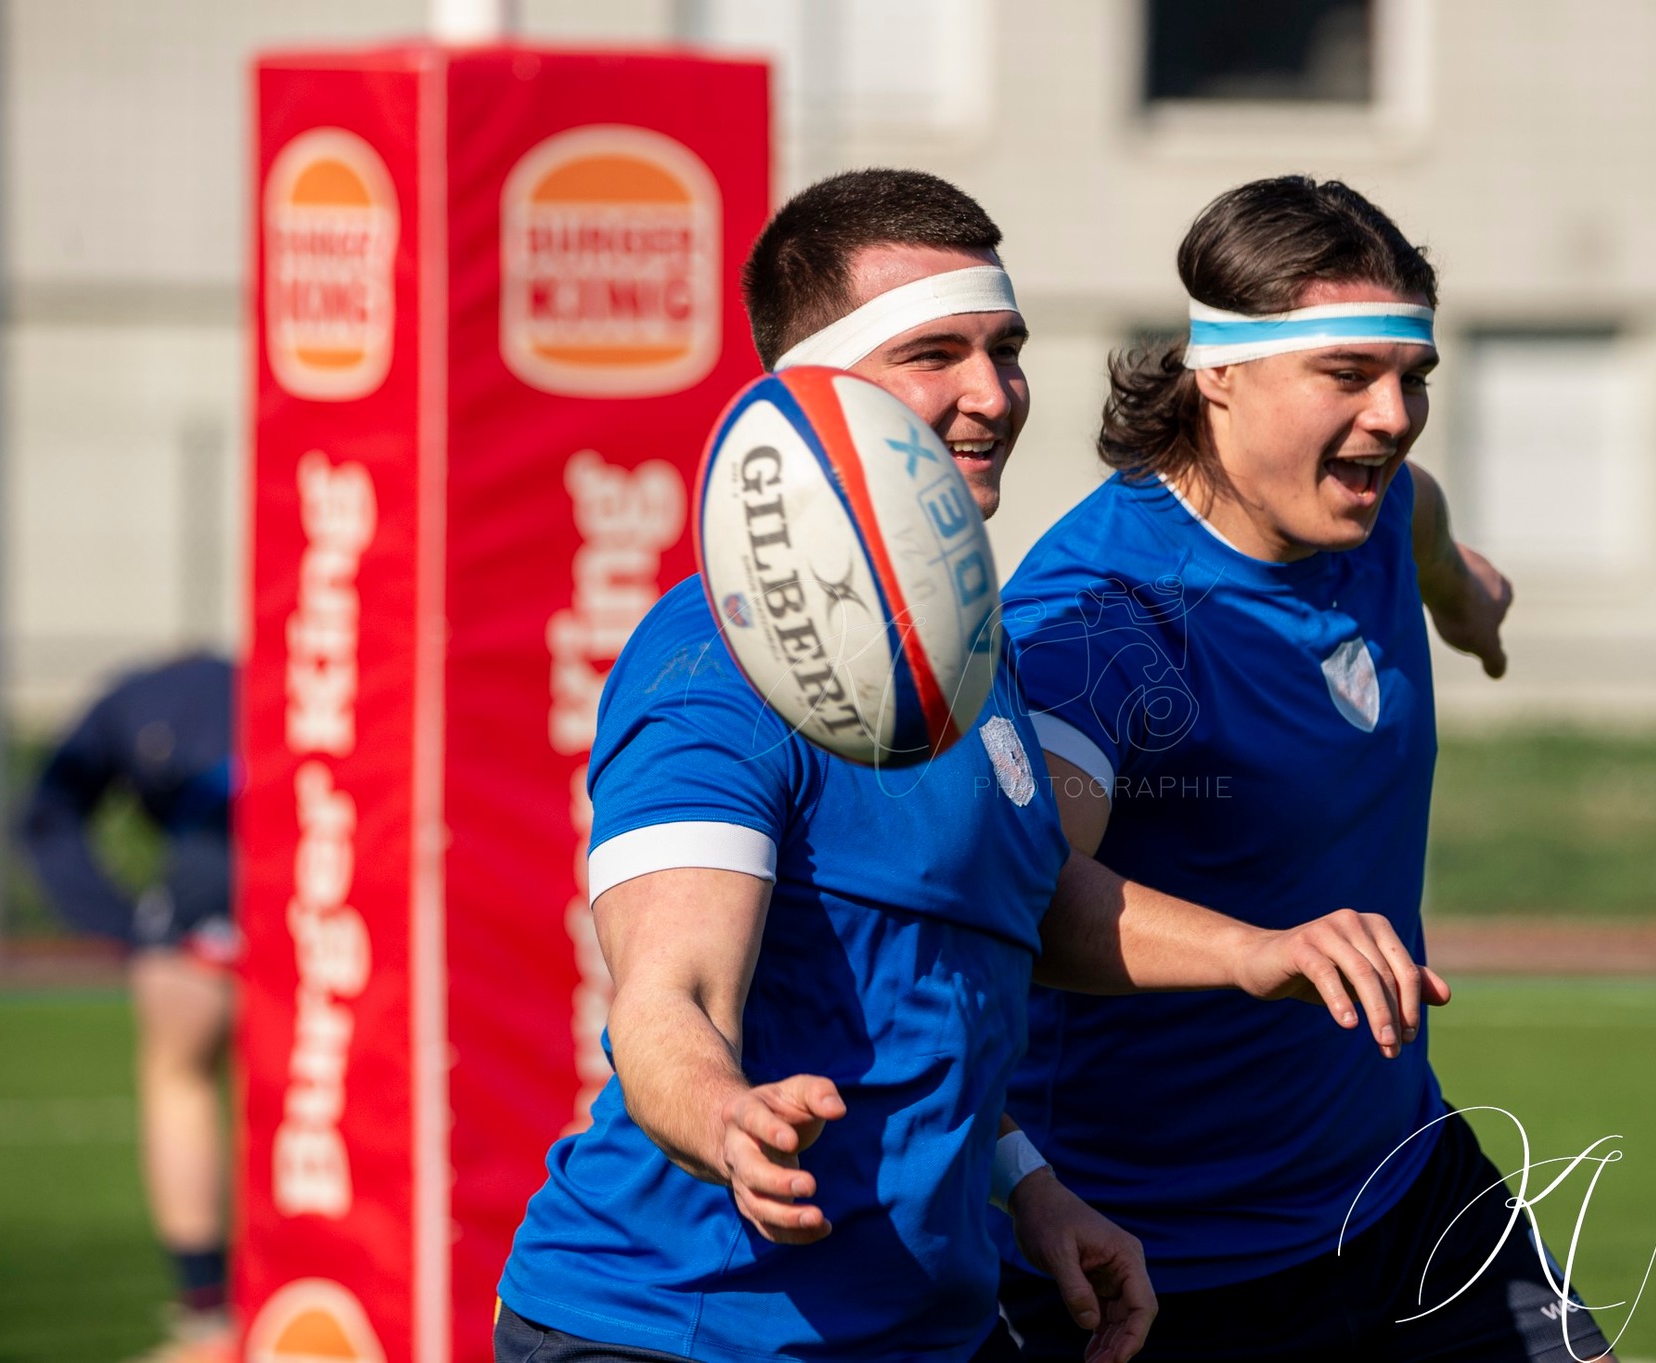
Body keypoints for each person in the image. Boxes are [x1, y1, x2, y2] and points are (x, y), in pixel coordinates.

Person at [495, 169, 1443, 1363]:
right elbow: (666, 989)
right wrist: (723, 1116)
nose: (990, 394)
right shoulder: (713, 661)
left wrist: (1030, 1180)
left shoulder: (962, 649)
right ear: (806, 395)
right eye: (934, 354)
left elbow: (986, 943)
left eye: (1007, 349)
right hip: (678, 1326)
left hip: (920, 1322)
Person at [995, 176, 1617, 1363]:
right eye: (1345, 374)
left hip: (1406, 1187)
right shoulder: (1094, 615)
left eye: (1411, 377)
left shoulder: (1381, 516)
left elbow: (1435, 545)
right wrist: (1255, 952)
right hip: (1162, 1260)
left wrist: (1470, 607)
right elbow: (1025, 893)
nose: (1391, 415)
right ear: (1215, 371)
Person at [19, 651, 239, 1363]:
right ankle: (336, 1281)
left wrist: (125, 924)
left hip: (205, 888)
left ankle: (207, 1313)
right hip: (322, 861)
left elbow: (45, 813)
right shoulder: (273, 670)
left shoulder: (128, 699)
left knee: (178, 1074)